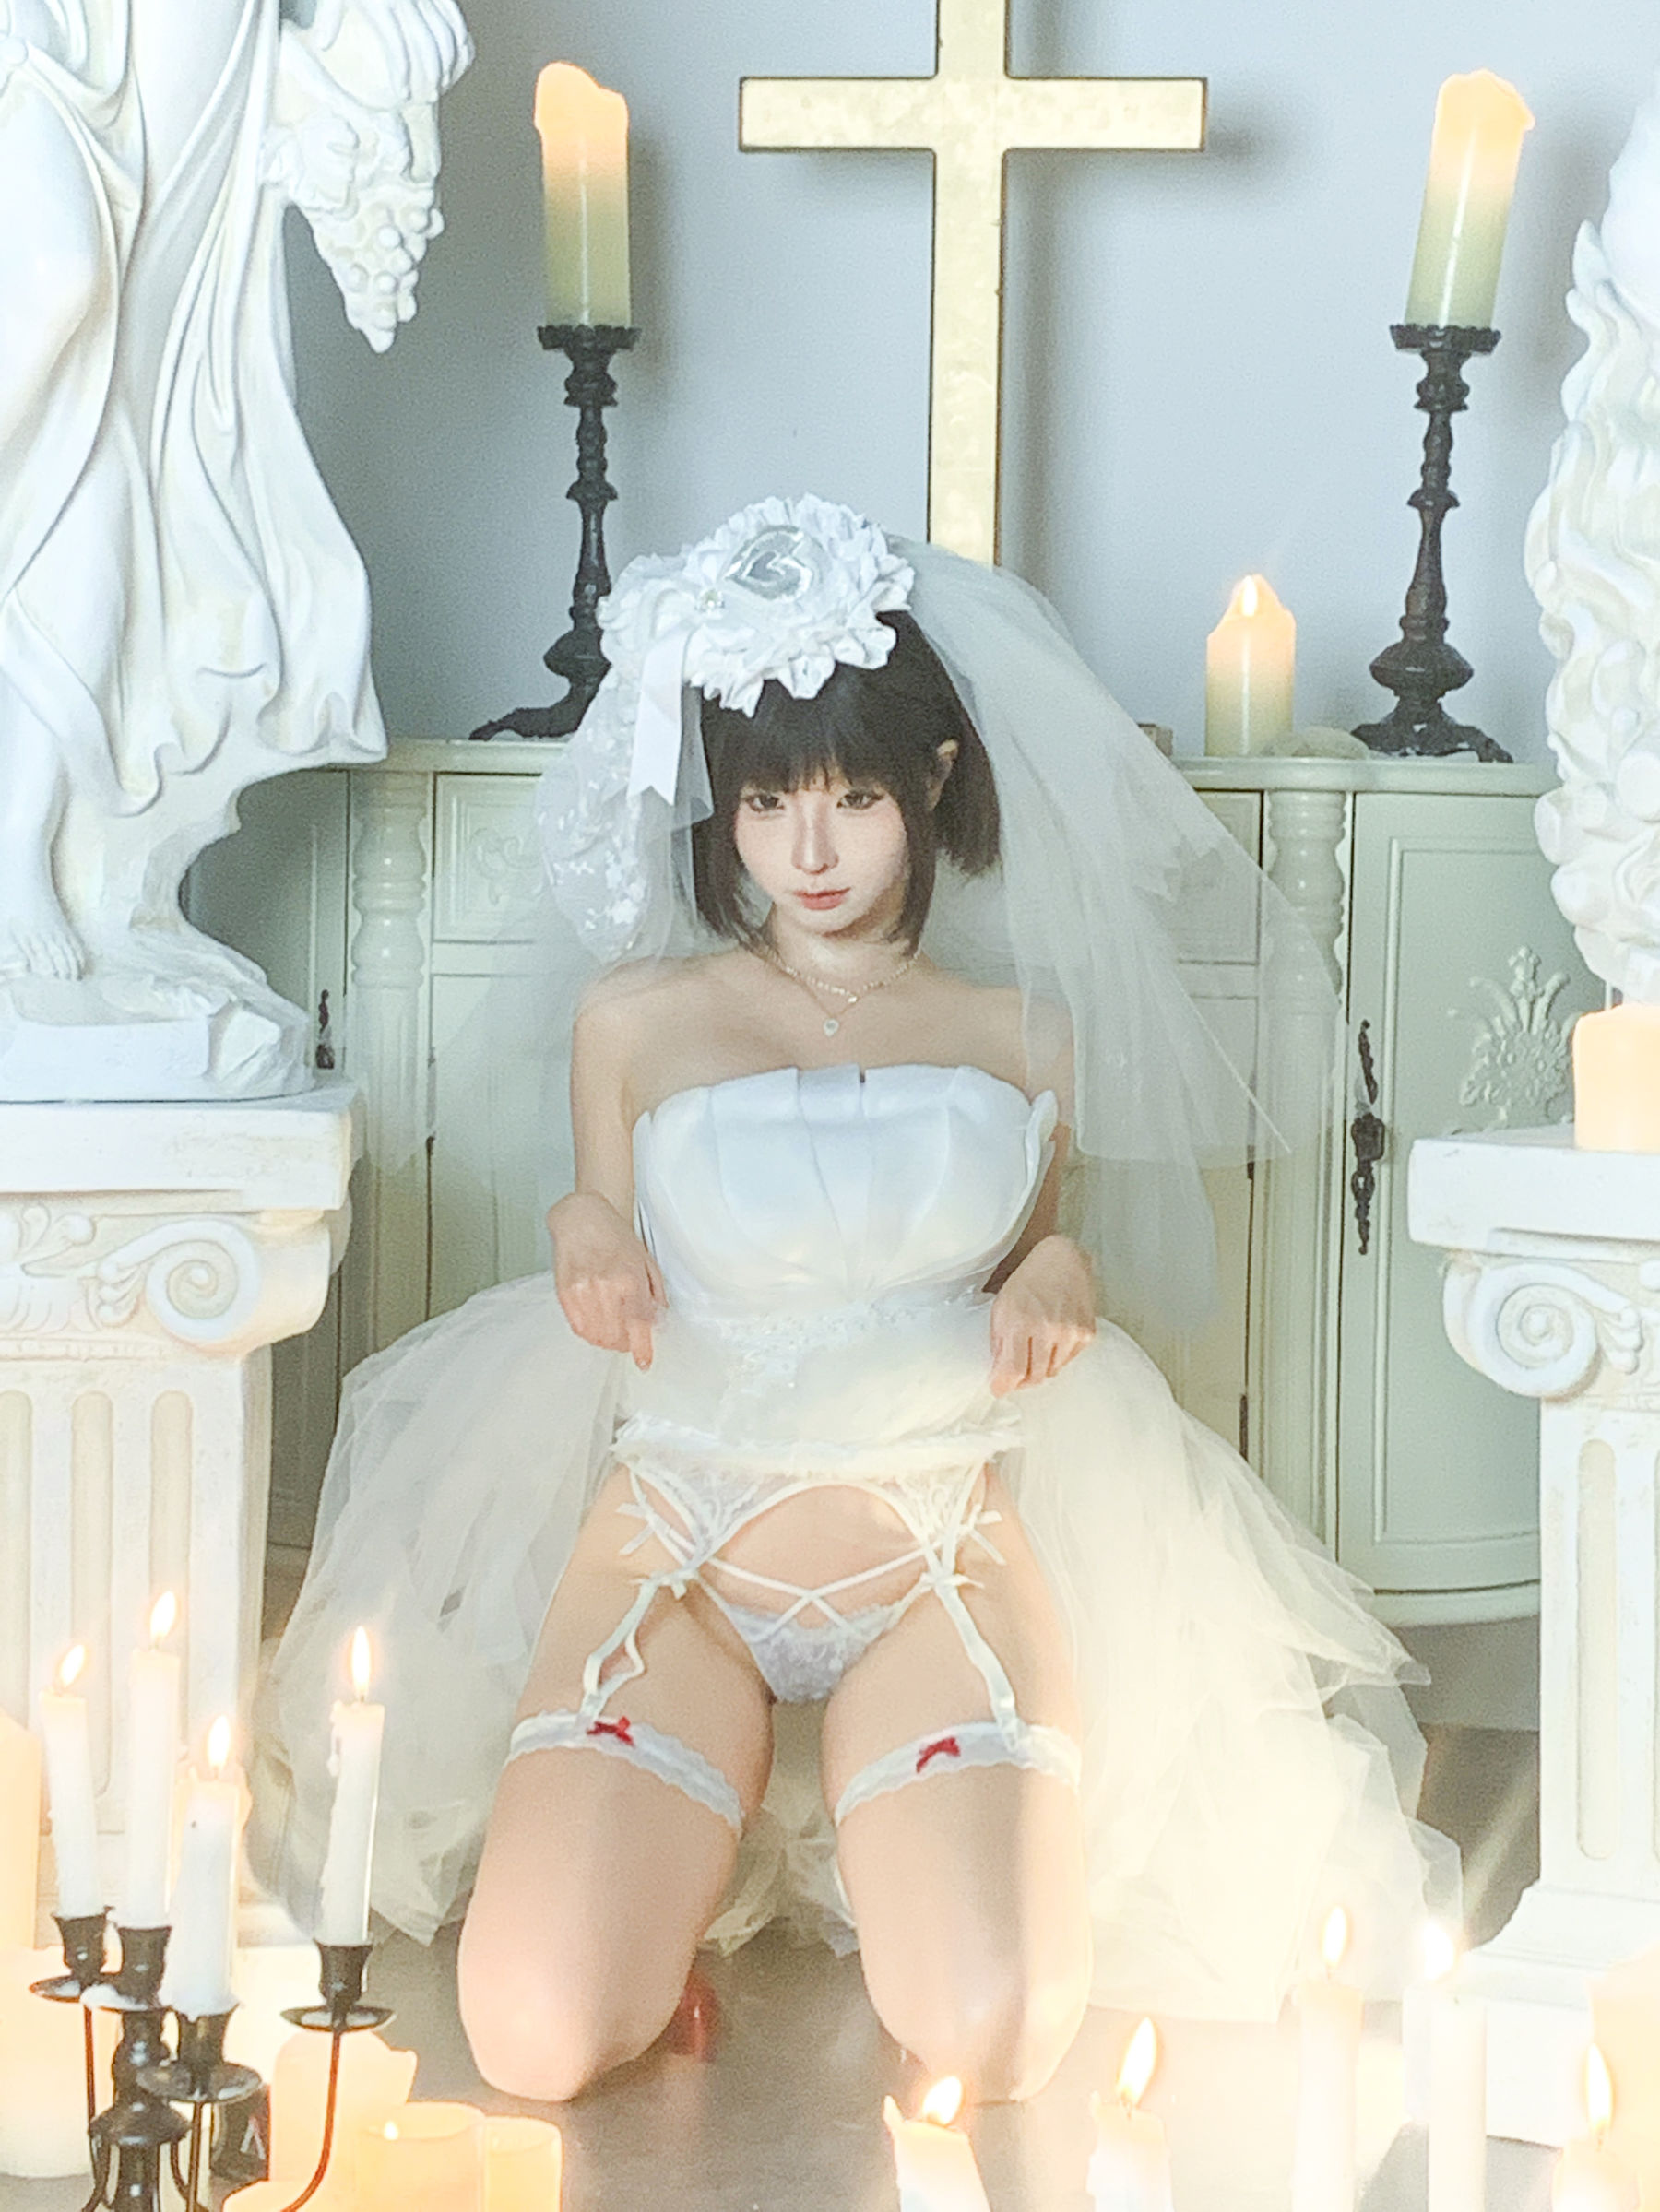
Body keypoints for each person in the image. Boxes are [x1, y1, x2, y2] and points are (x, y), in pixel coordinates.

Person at [251, 496, 1455, 2104]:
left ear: (933, 782)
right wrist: (581, 1232)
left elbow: (1030, 1255)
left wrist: (1061, 1270)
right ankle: (673, 1893)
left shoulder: (1024, 1035)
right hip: (675, 1540)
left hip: (938, 1541)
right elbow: (602, 1212)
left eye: (854, 800)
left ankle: (908, 1884)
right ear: (724, 805)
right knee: (533, 2036)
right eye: (767, 804)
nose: (806, 855)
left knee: (996, 2034)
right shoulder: (636, 1020)